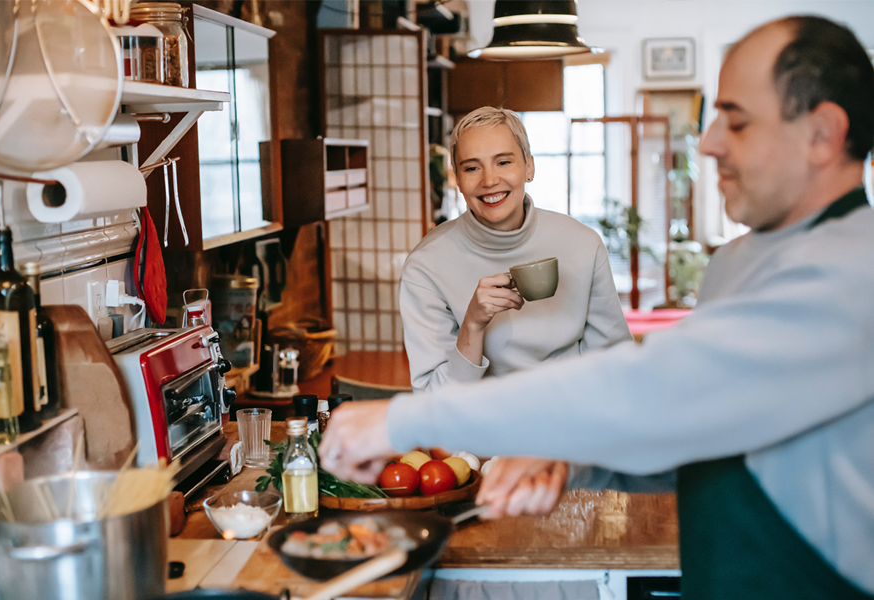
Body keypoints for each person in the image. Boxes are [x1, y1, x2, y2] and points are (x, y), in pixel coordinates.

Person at [321, 15, 874, 600]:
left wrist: (401, 420)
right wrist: (564, 456)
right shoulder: (735, 263)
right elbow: (689, 435)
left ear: (822, 134)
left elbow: (659, 385)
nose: (708, 142)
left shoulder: (853, 273)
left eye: (735, 121)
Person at [400, 106, 631, 392]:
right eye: (472, 168)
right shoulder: (426, 266)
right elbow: (431, 401)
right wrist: (472, 324)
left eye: (503, 162)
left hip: (572, 424)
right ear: (458, 180)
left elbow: (615, 363)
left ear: (529, 166)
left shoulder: (582, 243)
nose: (489, 180)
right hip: (482, 432)